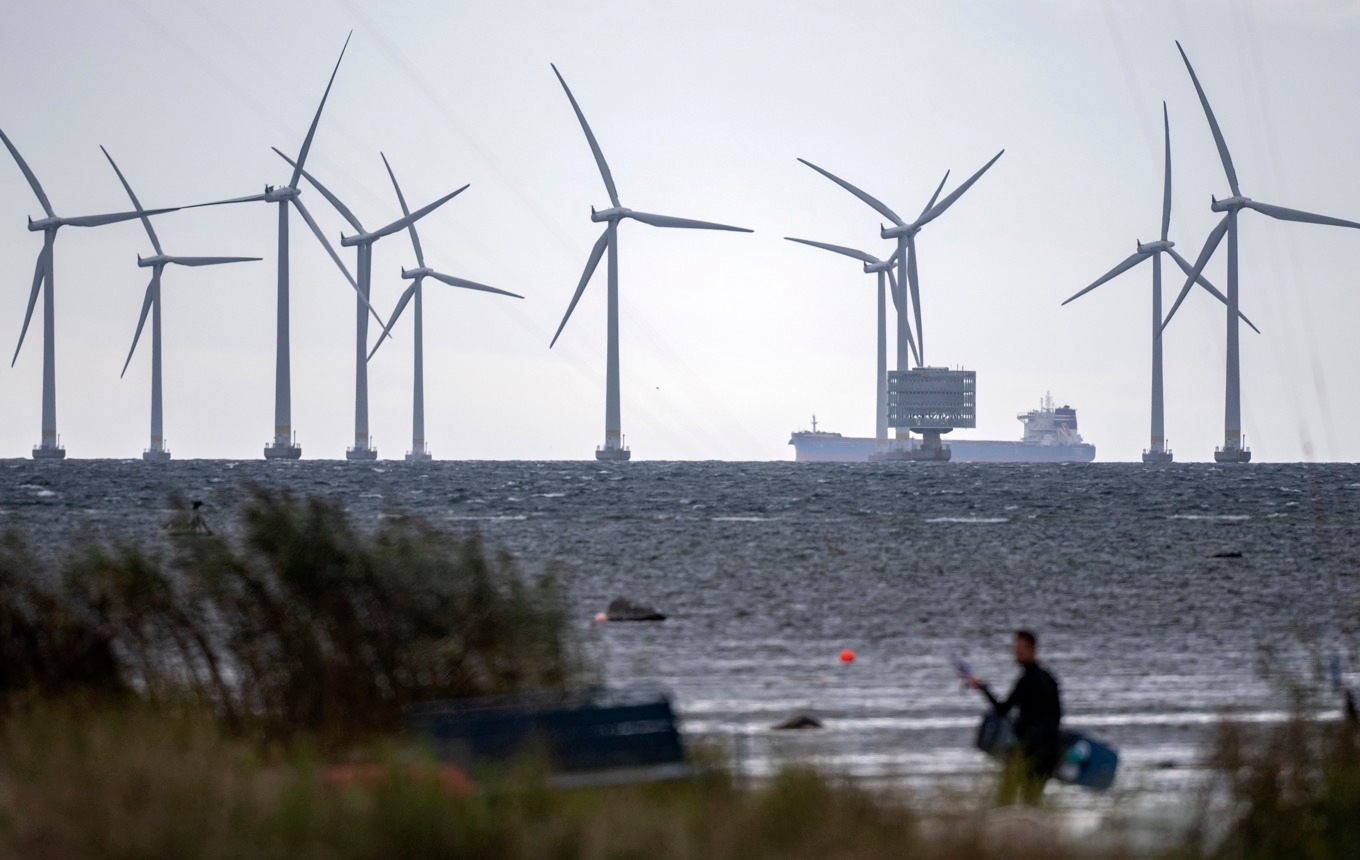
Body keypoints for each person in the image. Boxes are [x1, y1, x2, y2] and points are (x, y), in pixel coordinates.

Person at [967, 629, 1063, 805]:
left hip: (1031, 747)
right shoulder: (1049, 678)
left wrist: (983, 687)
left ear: (1034, 650)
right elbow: (1057, 716)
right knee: (1032, 800)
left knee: (1006, 796)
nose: (1017, 654)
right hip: (1051, 748)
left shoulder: (1027, 680)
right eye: (1015, 649)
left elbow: (1002, 709)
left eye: (1021, 649)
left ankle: (1001, 830)